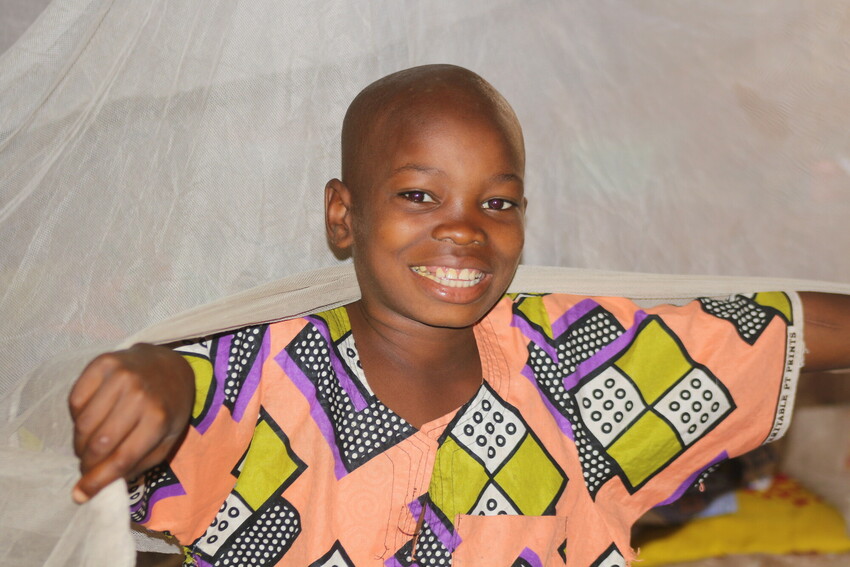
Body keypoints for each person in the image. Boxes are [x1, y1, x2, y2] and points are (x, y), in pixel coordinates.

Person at [69, 64, 850, 567]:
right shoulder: (257, 377)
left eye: (497, 201)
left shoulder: (576, 363)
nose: (464, 227)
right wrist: (156, 369)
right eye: (419, 194)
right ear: (343, 215)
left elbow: (774, 329)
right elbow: (118, 402)